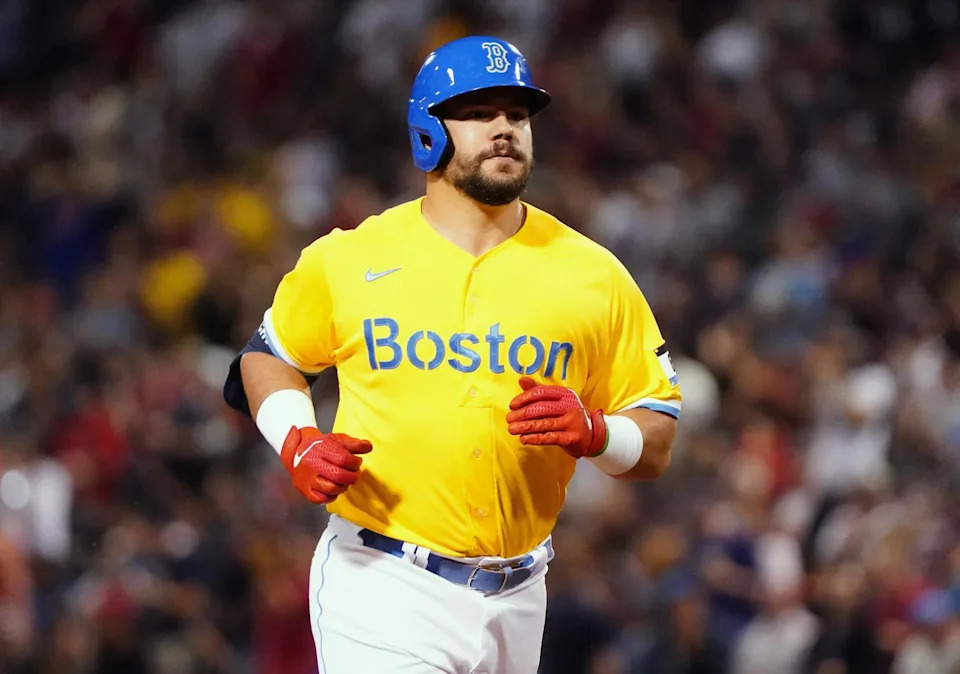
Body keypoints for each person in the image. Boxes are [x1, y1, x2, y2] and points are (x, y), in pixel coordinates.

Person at [223, 35, 682, 674]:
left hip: (521, 594)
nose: (504, 129)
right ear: (427, 132)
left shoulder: (594, 274)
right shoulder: (352, 256)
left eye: (517, 114)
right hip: (382, 579)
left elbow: (657, 437)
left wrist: (601, 433)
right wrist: (295, 437)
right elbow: (266, 356)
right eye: (479, 111)